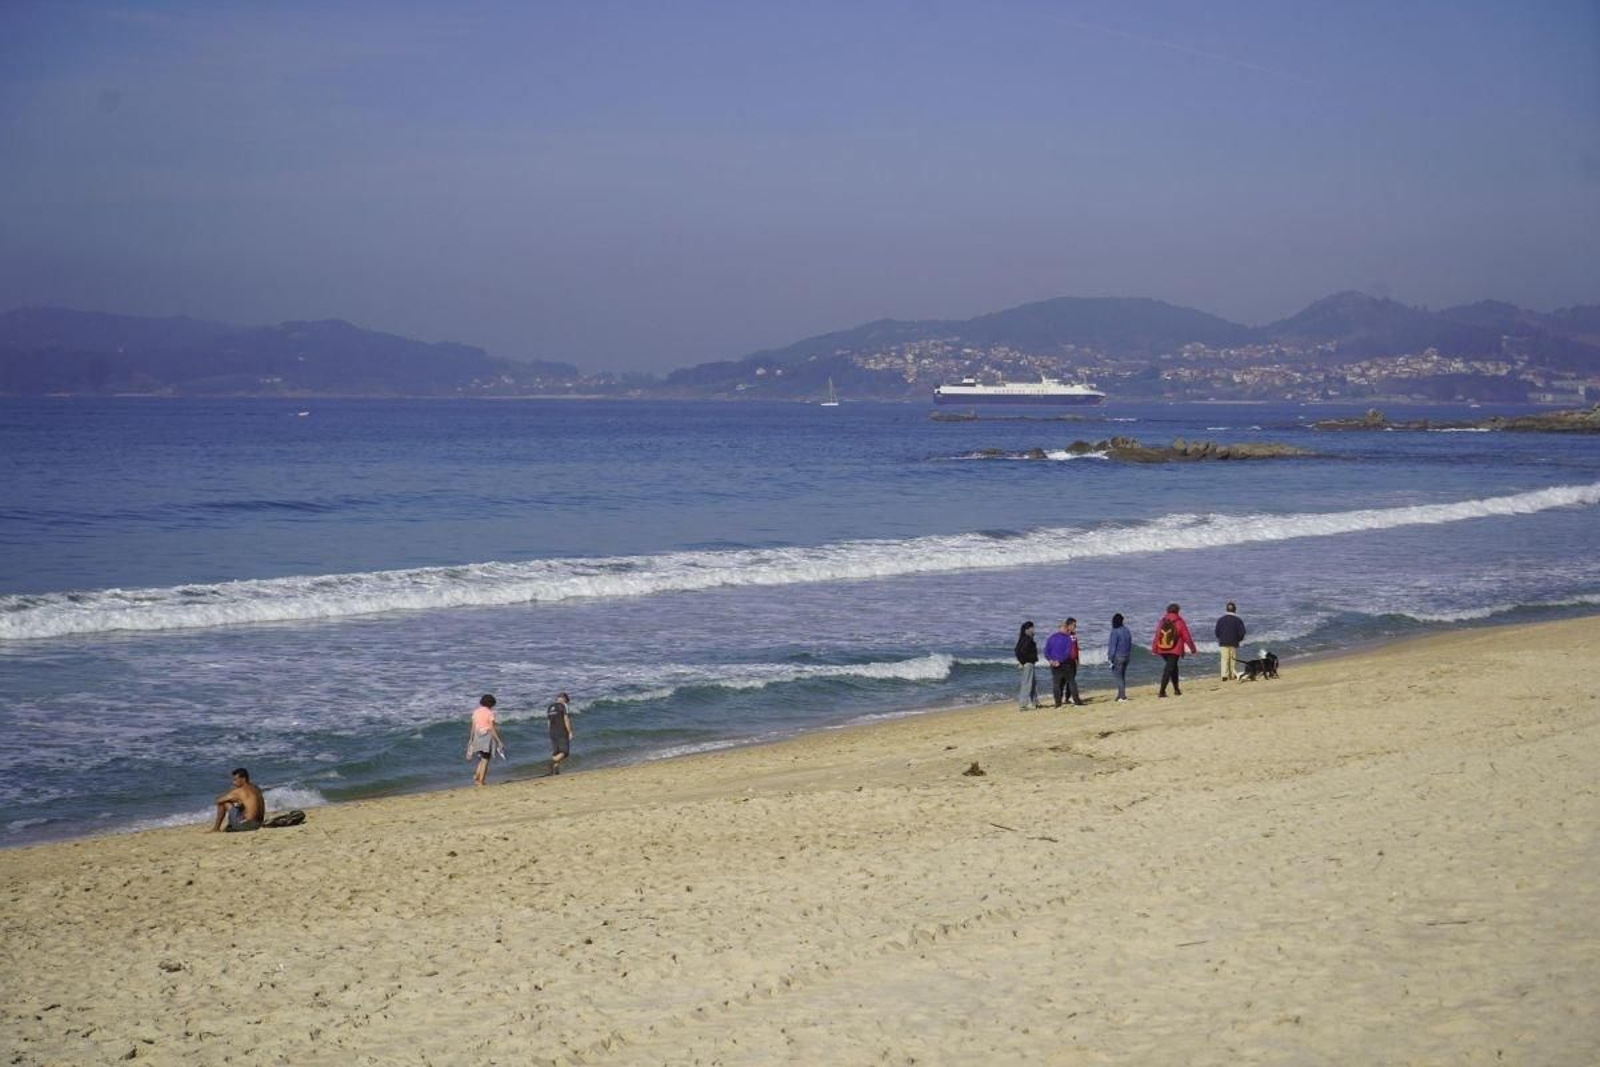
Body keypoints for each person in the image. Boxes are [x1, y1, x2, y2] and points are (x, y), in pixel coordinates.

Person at [1152, 602, 1197, 698]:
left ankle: (1176, 690)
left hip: (1162, 648)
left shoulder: (1162, 621)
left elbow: (1157, 635)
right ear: (1177, 611)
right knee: (1169, 669)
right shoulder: (1179, 621)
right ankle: (1162, 692)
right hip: (1175, 650)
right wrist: (1193, 649)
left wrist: (1154, 648)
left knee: (1173, 668)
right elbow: (1187, 637)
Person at [210, 766, 266, 832]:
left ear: (243, 779)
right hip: (259, 823)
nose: (234, 782)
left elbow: (217, 800)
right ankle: (229, 826)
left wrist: (232, 798)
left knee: (223, 803)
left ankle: (216, 829)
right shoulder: (256, 788)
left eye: (235, 780)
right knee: (240, 807)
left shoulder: (240, 791)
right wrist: (239, 802)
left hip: (247, 825)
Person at [465, 694, 504, 786]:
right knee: (486, 759)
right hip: (487, 737)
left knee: (481, 758)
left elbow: (473, 727)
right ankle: (481, 781)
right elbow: (491, 728)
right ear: (491, 704)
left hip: (477, 736)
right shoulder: (490, 713)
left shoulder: (476, 712)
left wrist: (471, 739)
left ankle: (476, 777)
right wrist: (498, 740)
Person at [1043, 619, 1083, 708]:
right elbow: (1068, 652)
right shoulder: (1068, 638)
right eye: (1066, 628)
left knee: (1057, 684)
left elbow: (1046, 651)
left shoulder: (1052, 637)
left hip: (1055, 664)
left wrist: (1051, 660)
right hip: (1065, 663)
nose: (1067, 630)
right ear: (1063, 628)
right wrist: (1057, 661)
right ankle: (1076, 701)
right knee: (1071, 682)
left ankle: (1058, 703)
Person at [1214, 601, 1247, 680]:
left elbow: (1216, 632)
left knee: (1224, 659)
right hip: (1233, 642)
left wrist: (1220, 638)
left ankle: (1224, 675)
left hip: (1223, 641)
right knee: (1233, 659)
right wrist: (1239, 639)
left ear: (1226, 610)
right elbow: (1242, 632)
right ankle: (1232, 674)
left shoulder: (1221, 620)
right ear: (1235, 610)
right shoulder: (1238, 620)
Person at [1014, 621, 1040, 710]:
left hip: (1029, 663)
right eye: (1032, 628)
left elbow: (1017, 650)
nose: (1034, 629)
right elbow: (1020, 652)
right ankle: (1023, 705)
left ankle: (1035, 702)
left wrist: (1022, 661)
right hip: (1028, 663)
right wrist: (1023, 661)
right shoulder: (1027, 639)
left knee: (1033, 684)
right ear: (1028, 629)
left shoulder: (1025, 638)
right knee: (1027, 684)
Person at [1106, 613, 1132, 702]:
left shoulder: (1114, 631)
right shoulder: (1127, 630)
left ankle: (1122, 696)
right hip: (1127, 656)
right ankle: (1120, 694)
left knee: (1118, 677)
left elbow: (1112, 646)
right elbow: (1129, 643)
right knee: (1122, 676)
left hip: (1118, 656)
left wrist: (1110, 657)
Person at [546, 692, 574, 774]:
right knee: (565, 752)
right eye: (567, 701)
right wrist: (570, 732)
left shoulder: (550, 707)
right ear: (564, 699)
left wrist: (550, 732)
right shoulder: (563, 706)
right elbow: (566, 719)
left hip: (552, 732)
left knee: (556, 752)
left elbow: (548, 722)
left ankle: (555, 771)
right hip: (561, 731)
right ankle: (551, 762)